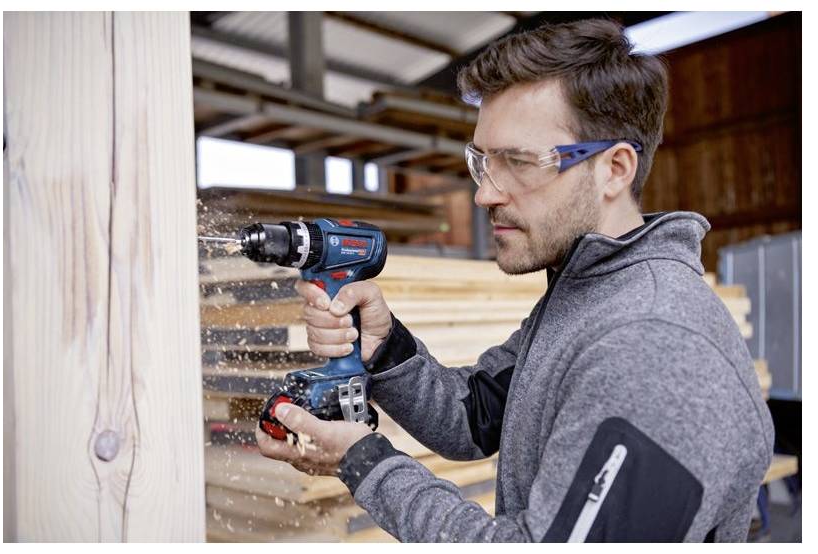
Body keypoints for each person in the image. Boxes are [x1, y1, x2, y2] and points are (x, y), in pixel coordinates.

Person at [255, 18, 774, 542]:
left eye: (520, 162)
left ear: (615, 169)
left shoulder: (652, 346)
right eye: (483, 161)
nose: (486, 194)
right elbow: (476, 417)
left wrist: (363, 461)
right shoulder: (588, 294)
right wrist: (385, 346)